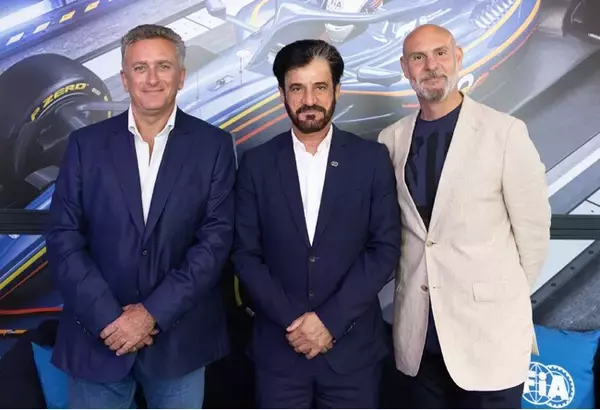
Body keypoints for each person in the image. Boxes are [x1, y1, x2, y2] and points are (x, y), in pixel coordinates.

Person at [46, 24, 235, 408]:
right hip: (98, 336)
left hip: (179, 341)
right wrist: (108, 318)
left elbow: (215, 243)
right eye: (140, 68)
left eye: (163, 66)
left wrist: (151, 314)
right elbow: (64, 238)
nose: (152, 79)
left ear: (181, 76)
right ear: (123, 78)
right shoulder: (85, 145)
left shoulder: (214, 146)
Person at [377, 24, 551, 408]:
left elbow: (534, 236)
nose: (431, 65)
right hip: (419, 340)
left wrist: (497, 296)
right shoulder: (390, 140)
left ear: (458, 57)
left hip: (488, 339)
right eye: (418, 57)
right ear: (405, 68)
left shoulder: (505, 132)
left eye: (440, 53)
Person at [232, 39, 402, 408]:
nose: (309, 99)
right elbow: (245, 255)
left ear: (337, 90)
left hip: (352, 354)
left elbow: (384, 249)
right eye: (297, 88)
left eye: (320, 86)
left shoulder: (371, 160)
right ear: (282, 94)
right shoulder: (256, 164)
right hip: (279, 352)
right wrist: (295, 322)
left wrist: (329, 322)